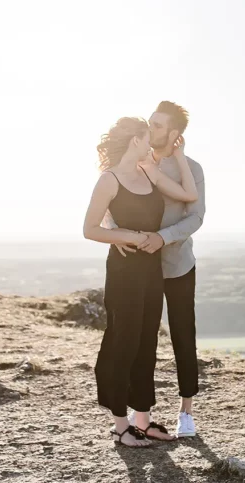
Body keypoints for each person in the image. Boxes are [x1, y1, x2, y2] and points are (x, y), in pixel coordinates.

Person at [82, 116, 199, 448]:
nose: (151, 143)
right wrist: (129, 236)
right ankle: (121, 426)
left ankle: (143, 421)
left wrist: (179, 155)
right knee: (124, 342)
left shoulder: (148, 172)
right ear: (136, 140)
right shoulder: (109, 180)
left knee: (147, 343)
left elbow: (189, 195)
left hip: (151, 270)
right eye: (147, 137)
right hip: (124, 272)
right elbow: (90, 229)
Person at [114, 101, 205, 438]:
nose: (150, 129)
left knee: (183, 335)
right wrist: (116, 233)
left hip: (178, 263)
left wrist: (162, 238)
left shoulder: (192, 169)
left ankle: (186, 412)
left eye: (158, 125)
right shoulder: (136, 162)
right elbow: (114, 200)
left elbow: (196, 217)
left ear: (174, 133)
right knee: (142, 340)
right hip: (142, 265)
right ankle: (142, 413)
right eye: (150, 123)